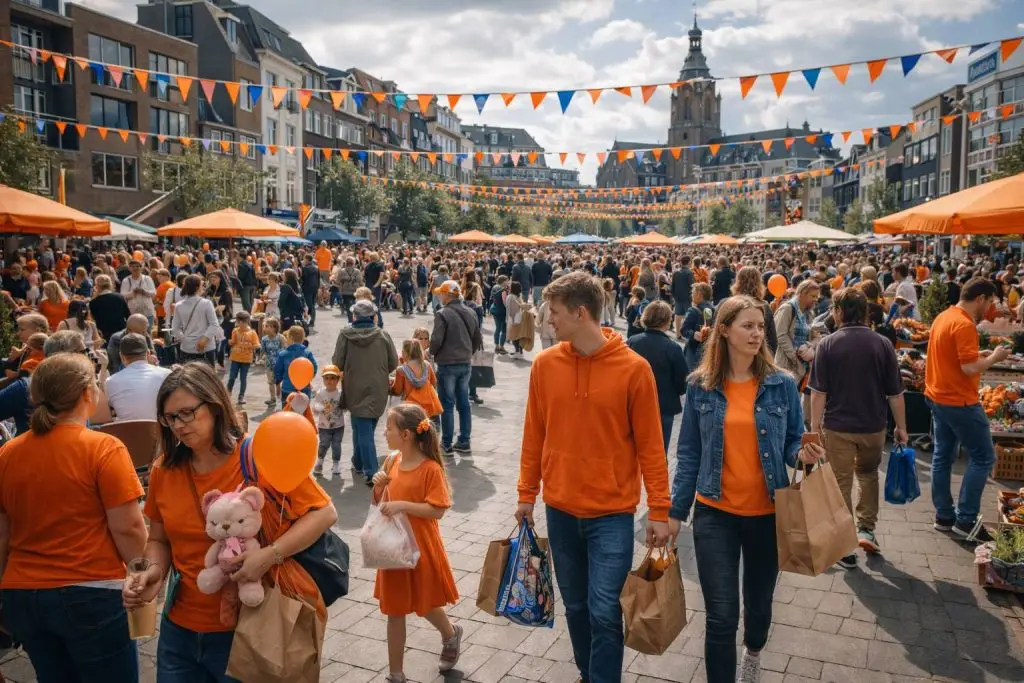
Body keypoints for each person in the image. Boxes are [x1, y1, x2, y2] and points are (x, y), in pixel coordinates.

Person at [122, 363, 337, 682]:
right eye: (170, 418)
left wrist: (269, 555)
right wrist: (153, 571)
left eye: (186, 413)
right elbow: (158, 539)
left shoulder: (258, 456)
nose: (178, 426)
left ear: (214, 405)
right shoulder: (164, 470)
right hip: (179, 629)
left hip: (248, 629)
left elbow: (324, 512)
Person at [516, 271, 671, 683]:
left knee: (604, 609)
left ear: (580, 312)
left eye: (554, 311)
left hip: (612, 514)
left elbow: (652, 447)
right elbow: (534, 434)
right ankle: (589, 673)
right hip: (560, 509)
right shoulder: (545, 365)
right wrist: (526, 494)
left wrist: (659, 509)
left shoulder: (634, 370)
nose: (549, 319)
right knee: (576, 606)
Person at [669, 295, 818, 683]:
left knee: (758, 607)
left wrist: (802, 453)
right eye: (747, 326)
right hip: (713, 512)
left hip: (767, 514)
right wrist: (674, 512)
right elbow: (689, 454)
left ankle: (753, 651)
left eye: (760, 327)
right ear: (724, 330)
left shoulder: (782, 385)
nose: (757, 334)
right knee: (721, 615)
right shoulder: (701, 386)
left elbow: (791, 442)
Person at [0, 352, 147, 683]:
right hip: (91, 589)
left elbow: (2, 534)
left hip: (24, 594)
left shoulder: (8, 452)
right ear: (86, 393)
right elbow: (128, 527)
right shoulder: (103, 448)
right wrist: (143, 574)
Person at [809, 287, 908, 569]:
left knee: (840, 480)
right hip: (873, 425)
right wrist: (901, 427)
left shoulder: (828, 345)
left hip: (838, 425)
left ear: (839, 312)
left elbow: (818, 392)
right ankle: (866, 529)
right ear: (865, 312)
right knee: (867, 474)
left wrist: (814, 426)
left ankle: (845, 545)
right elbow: (895, 393)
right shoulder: (882, 344)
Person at [371, 404, 461, 682]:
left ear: (406, 434)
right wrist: (378, 487)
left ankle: (450, 634)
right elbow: (381, 503)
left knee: (425, 602)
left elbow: (438, 509)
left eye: (389, 428)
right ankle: (395, 674)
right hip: (393, 549)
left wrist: (402, 505)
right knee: (394, 610)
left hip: (420, 546)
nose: (384, 433)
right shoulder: (391, 462)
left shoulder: (430, 469)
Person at [925, 277, 1010, 543]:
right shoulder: (964, 324)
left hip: (938, 396)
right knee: (984, 457)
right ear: (980, 298)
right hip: (959, 401)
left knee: (942, 457)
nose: (990, 307)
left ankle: (945, 516)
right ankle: (966, 520)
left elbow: (956, 357)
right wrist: (994, 357)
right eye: (990, 302)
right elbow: (969, 368)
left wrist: (978, 353)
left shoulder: (944, 317)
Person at [333, 299, 398, 485]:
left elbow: (337, 362)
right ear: (373, 316)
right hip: (378, 387)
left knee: (362, 428)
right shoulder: (383, 335)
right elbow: (393, 362)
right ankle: (363, 465)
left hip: (354, 386)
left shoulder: (345, 335)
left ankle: (367, 469)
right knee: (364, 428)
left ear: (355, 315)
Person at [626, 301, 689, 453]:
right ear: (667, 321)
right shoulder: (673, 348)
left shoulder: (632, 342)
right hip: (663, 406)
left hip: (634, 403)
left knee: (632, 450)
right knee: (659, 451)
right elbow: (682, 382)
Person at [429, 281, 482, 456]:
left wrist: (431, 352)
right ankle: (464, 441)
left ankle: (446, 443)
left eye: (441, 294)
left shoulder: (442, 313)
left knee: (447, 404)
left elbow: (436, 340)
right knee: (464, 403)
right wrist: (467, 352)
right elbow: (477, 338)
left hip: (447, 363)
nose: (440, 297)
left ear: (447, 295)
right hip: (465, 362)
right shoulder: (471, 311)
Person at [106, 332, 172, 422]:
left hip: (126, 430)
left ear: (121, 356)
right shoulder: (167, 375)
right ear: (148, 353)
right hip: (161, 429)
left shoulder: (110, 381)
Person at [171, 274, 222, 365]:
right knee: (206, 373)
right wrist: (205, 339)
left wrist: (184, 339)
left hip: (187, 347)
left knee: (188, 373)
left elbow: (175, 328)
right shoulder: (206, 303)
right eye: (202, 285)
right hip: (206, 346)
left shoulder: (179, 305)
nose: (203, 287)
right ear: (197, 287)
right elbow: (214, 324)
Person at [391, 339, 442, 424]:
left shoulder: (401, 370)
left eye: (403, 350)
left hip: (411, 409)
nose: (402, 352)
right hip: (430, 407)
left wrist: (391, 385)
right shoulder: (427, 365)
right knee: (433, 430)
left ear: (407, 353)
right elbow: (434, 383)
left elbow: (397, 390)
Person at [312, 364, 345, 479]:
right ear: (323, 380)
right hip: (324, 426)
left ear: (338, 380)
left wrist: (345, 407)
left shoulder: (341, 393)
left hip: (339, 426)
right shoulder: (321, 393)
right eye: (326, 378)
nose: (329, 381)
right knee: (324, 444)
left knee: (336, 445)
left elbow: (345, 406)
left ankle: (336, 464)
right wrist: (319, 407)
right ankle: (320, 462)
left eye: (332, 378)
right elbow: (315, 407)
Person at [275, 325, 318, 406]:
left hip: (288, 389)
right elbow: (314, 367)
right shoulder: (307, 353)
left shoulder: (283, 354)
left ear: (290, 338)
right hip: (305, 389)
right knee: (304, 410)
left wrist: (277, 384)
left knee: (287, 410)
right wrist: (309, 379)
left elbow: (278, 371)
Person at [226, 310, 260, 406]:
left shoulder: (252, 333)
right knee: (232, 377)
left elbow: (257, 344)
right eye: (239, 322)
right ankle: (227, 394)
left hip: (246, 359)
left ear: (247, 321)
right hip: (235, 358)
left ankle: (241, 396)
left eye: (242, 322)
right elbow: (233, 342)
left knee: (243, 378)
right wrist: (230, 342)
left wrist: (250, 346)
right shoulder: (235, 331)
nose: (240, 324)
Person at [89, 274, 131, 344]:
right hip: (121, 332)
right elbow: (128, 315)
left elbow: (94, 320)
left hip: (104, 334)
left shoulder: (94, 302)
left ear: (97, 286)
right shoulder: (119, 297)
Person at [120, 260, 157, 326]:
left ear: (141, 268)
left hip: (147, 312)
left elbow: (154, 293)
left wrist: (144, 292)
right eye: (133, 266)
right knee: (135, 330)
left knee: (147, 330)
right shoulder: (126, 280)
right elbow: (122, 295)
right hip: (133, 312)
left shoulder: (147, 279)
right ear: (129, 268)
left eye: (137, 266)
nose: (135, 268)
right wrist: (133, 293)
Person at [260, 317, 286, 407]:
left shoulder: (280, 337)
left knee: (278, 382)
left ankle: (280, 399)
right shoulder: (264, 339)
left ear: (274, 327)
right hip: (269, 364)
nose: (265, 328)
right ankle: (272, 399)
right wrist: (261, 358)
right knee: (270, 382)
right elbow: (263, 351)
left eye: (267, 326)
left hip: (279, 364)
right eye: (265, 326)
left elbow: (285, 349)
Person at [672, 255, 695, 338]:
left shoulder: (676, 272)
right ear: (689, 262)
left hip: (678, 297)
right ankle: (687, 333)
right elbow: (692, 286)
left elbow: (672, 286)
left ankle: (678, 334)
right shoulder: (689, 273)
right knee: (688, 316)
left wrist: (674, 296)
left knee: (678, 316)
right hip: (687, 298)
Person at [489, 275, 510, 354]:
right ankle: (501, 347)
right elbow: (505, 303)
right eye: (507, 281)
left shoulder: (494, 287)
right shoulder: (503, 290)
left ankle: (496, 346)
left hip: (495, 309)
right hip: (502, 311)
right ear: (503, 281)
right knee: (504, 330)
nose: (508, 282)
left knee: (497, 328)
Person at [300, 254, 320, 327]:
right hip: (314, 288)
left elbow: (303, 279)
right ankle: (311, 320)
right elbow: (318, 278)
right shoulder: (316, 267)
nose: (303, 261)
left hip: (307, 288)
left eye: (304, 259)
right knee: (312, 304)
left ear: (307, 259)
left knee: (309, 305)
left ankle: (310, 320)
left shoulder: (305, 268)